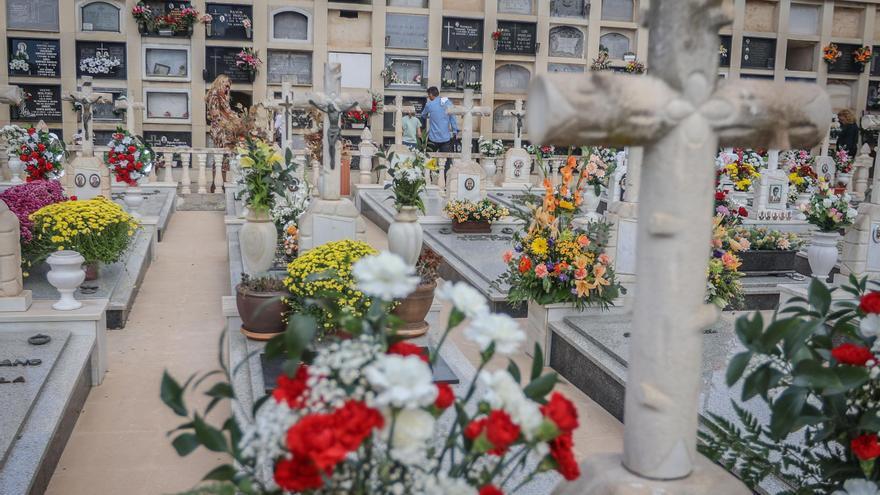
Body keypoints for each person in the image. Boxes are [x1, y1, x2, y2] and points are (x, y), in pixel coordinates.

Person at [421, 86, 458, 172]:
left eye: (428, 95)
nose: (428, 97)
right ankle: (445, 180)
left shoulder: (429, 105)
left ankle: (429, 178)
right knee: (446, 161)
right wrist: (455, 130)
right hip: (445, 137)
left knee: (430, 159)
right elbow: (453, 118)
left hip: (433, 137)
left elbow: (423, 115)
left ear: (431, 94)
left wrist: (429, 116)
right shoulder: (448, 102)